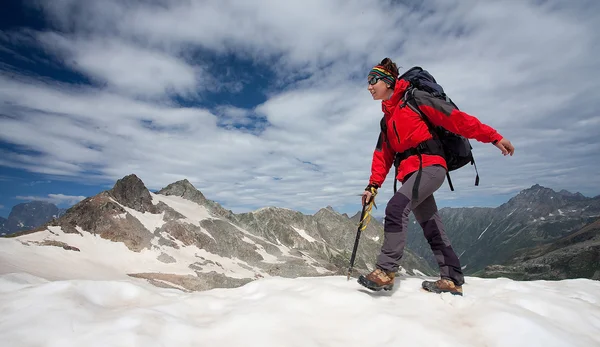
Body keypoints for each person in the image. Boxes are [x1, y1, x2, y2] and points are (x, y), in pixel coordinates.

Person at [358, 58, 515, 295]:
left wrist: (493, 137)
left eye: (373, 81)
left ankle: (385, 271)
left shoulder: (416, 100)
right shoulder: (387, 120)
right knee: (431, 227)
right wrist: (373, 186)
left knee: (396, 207)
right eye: (368, 82)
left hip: (430, 166)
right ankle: (452, 279)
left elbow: (456, 120)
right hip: (410, 175)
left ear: (389, 81)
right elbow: (383, 155)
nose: (369, 87)